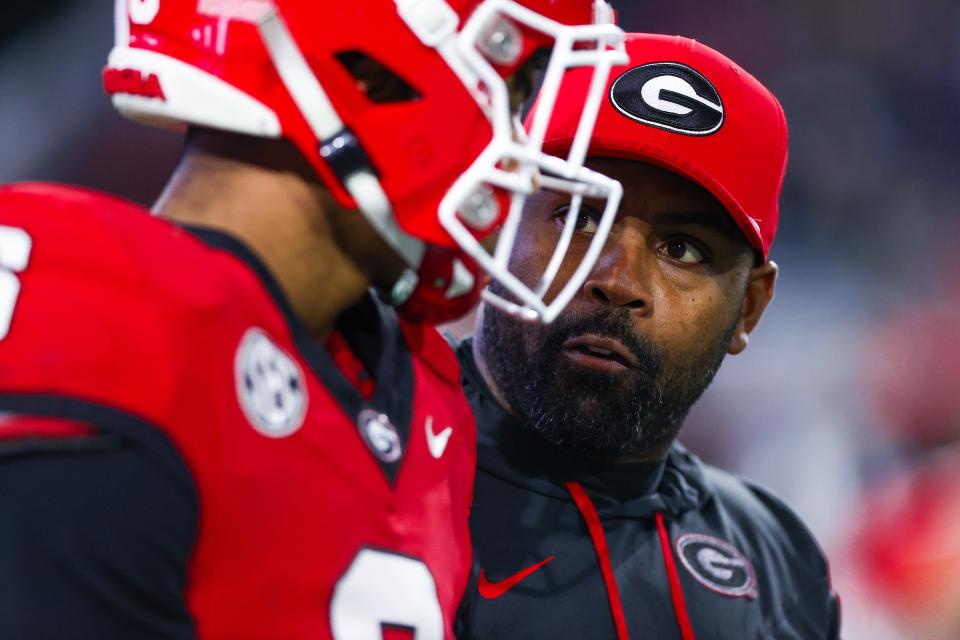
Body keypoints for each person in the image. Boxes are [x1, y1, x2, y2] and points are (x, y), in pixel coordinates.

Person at [0, 1, 625, 638]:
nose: (521, 157)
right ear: (371, 76)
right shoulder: (87, 300)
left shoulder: (427, 392)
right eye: (514, 95)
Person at [457, 33, 841, 639]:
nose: (618, 281)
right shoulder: (363, 462)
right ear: (495, 218)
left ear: (750, 307)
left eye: (682, 249)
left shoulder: (777, 563)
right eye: (580, 217)